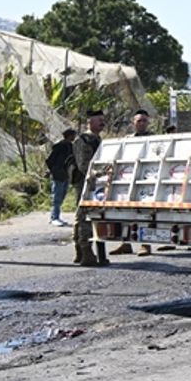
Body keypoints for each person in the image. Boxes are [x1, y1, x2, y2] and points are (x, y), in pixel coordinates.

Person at [112, 110, 153, 256]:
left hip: (148, 179)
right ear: (133, 123)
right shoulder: (128, 139)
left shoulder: (154, 139)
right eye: (139, 121)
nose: (141, 123)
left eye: (144, 121)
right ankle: (125, 243)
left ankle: (145, 244)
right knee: (125, 211)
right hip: (129, 178)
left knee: (145, 213)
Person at [72, 110, 108, 266]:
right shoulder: (83, 140)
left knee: (94, 217)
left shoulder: (97, 139)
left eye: (102, 119)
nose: (102, 122)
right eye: (98, 119)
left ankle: (87, 253)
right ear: (89, 122)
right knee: (84, 218)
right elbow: (83, 166)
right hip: (85, 184)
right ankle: (84, 251)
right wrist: (100, 173)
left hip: (96, 183)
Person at [45, 128, 78, 227]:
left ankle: (56, 216)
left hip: (66, 175)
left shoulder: (71, 147)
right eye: (73, 135)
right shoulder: (59, 147)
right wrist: (54, 170)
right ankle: (54, 217)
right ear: (69, 136)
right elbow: (50, 160)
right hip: (58, 175)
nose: (74, 137)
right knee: (57, 197)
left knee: (62, 195)